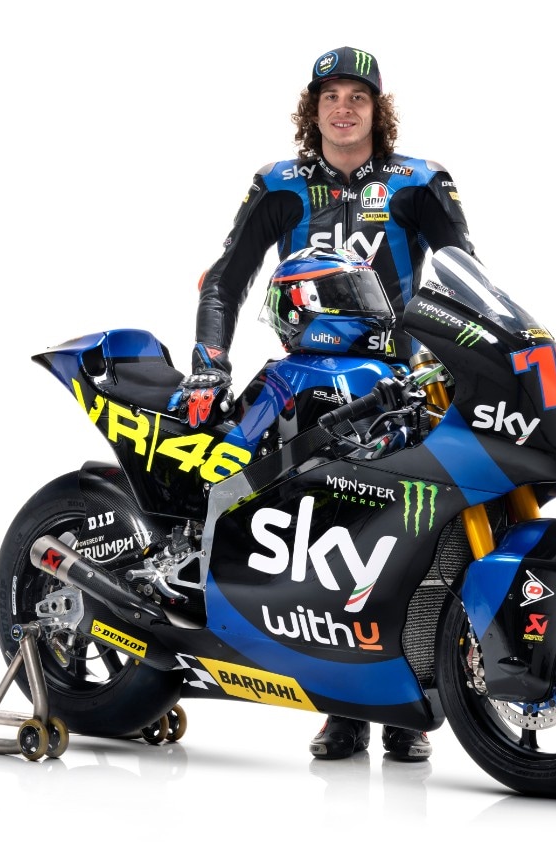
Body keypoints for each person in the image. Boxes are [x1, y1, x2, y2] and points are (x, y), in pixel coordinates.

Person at [182, 46, 478, 762]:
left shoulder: (419, 181)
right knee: (314, 541)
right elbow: (225, 280)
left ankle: (407, 706)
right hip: (305, 381)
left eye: (358, 97)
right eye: (330, 97)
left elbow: (466, 274)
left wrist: (462, 360)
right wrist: (208, 368)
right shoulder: (278, 184)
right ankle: (339, 707)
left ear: (379, 109)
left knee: (411, 537)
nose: (344, 109)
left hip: (399, 384)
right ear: (312, 110)